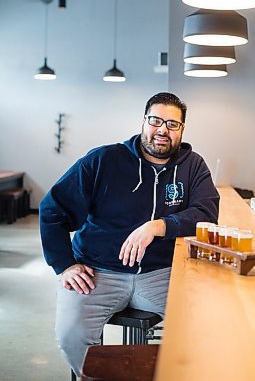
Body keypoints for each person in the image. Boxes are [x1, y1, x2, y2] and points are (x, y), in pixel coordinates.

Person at [39, 92, 219, 376]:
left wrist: (159, 226)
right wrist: (64, 265)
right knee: (71, 336)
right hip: (96, 273)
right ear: (144, 122)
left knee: (209, 327)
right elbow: (52, 209)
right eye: (156, 120)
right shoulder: (103, 160)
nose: (162, 129)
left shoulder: (192, 165)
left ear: (182, 130)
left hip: (162, 273)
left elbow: (206, 213)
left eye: (173, 124)